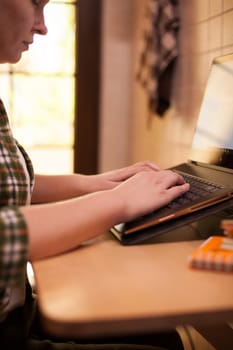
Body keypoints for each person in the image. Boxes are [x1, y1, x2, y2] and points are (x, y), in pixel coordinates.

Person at [0, 1, 190, 349]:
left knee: (164, 337)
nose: (42, 27)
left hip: (15, 313)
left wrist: (97, 183)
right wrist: (116, 202)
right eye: (35, 4)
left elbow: (11, 187)